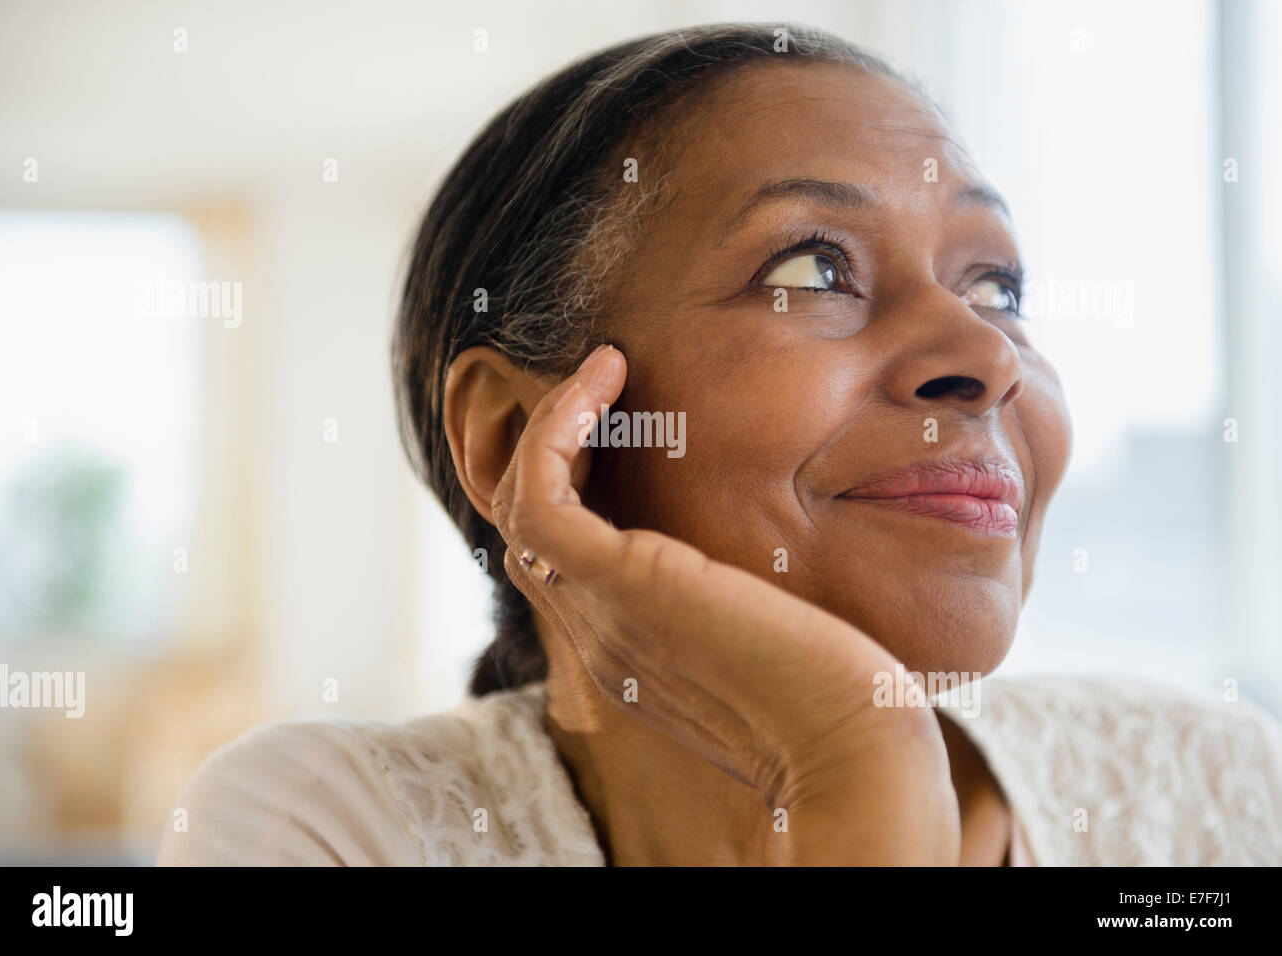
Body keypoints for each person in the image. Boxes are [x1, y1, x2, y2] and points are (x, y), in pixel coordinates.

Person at [159, 23, 1282, 866]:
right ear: (519, 439)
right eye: (811, 268)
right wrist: (860, 770)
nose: (983, 354)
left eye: (996, 283)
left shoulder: (1218, 793)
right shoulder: (329, 829)